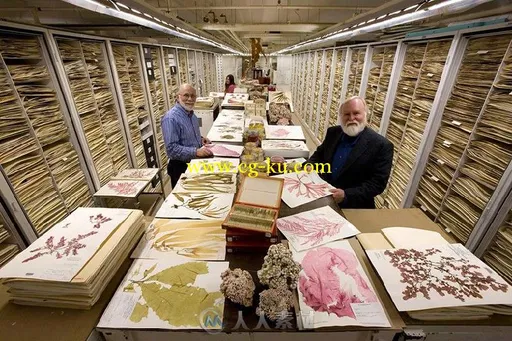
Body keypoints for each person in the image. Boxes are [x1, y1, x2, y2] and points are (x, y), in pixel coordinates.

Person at [304, 96, 393, 208]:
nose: (351, 118)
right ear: (341, 116)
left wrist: (346, 195)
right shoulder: (333, 132)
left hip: (354, 206)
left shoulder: (381, 145)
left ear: (365, 115)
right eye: (346, 114)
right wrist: (310, 165)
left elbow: (377, 184)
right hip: (322, 196)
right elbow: (320, 154)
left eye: (356, 113)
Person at [161, 83, 212, 188]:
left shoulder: (191, 115)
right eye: (186, 95)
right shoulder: (171, 118)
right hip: (180, 167)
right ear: (178, 97)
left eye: (193, 96)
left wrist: (201, 139)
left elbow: (186, 135)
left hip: (194, 163)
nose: (190, 99)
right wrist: (196, 151)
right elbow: (171, 149)